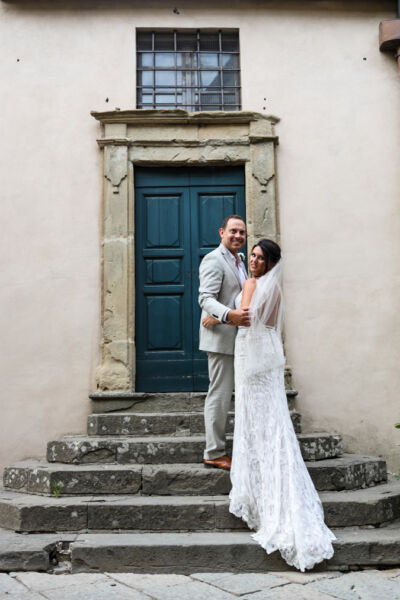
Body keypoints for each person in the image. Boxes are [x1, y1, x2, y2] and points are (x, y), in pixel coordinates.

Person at [203, 238, 335, 571]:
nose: (254, 261)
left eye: (261, 258)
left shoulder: (251, 283)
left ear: (271, 263)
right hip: (270, 360)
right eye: (254, 256)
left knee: (254, 418)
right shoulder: (275, 290)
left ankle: (258, 485)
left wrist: (216, 319)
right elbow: (269, 324)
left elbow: (244, 318)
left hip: (249, 357)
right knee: (273, 419)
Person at [198, 215, 250, 471]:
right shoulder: (214, 260)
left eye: (242, 232)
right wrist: (228, 316)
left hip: (238, 339)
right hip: (220, 340)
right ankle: (214, 452)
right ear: (222, 232)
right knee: (219, 395)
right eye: (233, 231)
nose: (238, 236)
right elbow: (205, 298)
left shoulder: (240, 261)